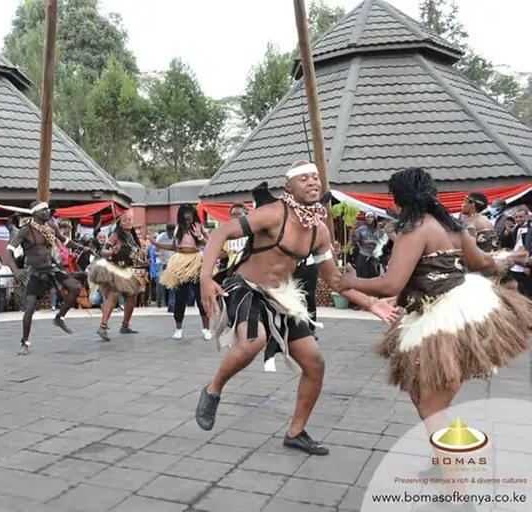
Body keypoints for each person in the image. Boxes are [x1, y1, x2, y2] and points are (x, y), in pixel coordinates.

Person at [195, 161, 399, 456]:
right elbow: (221, 233)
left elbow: (333, 279)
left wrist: (370, 302)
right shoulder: (272, 214)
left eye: (315, 177)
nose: (312, 182)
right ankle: (213, 390)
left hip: (283, 296)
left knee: (315, 364)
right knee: (253, 340)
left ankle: (296, 432)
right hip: (246, 288)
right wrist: (204, 278)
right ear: (288, 186)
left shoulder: (320, 232)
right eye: (304, 178)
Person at [337, 167, 530, 435]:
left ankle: (455, 472)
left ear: (397, 200)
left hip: (444, 319)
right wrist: (505, 259)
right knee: (422, 397)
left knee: (430, 406)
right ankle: (445, 454)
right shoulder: (453, 227)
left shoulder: (415, 231)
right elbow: (483, 263)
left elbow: (391, 284)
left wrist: (352, 283)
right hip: (463, 311)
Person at [5, 201, 83, 355]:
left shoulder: (51, 227)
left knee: (75, 288)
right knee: (29, 309)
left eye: (48, 210)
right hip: (35, 272)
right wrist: (16, 270)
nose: (48, 212)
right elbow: (9, 251)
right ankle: (24, 342)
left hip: (51, 268)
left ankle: (59, 317)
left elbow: (65, 241)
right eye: (44, 210)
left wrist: (82, 247)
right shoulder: (25, 230)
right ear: (35, 213)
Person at [153, 204, 211, 340]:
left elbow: (209, 243)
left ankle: (206, 329)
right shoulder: (178, 229)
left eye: (190, 212)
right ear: (181, 215)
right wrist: (156, 244)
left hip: (196, 262)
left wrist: (200, 236)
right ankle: (178, 329)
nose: (188, 215)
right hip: (180, 263)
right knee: (180, 297)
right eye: (185, 213)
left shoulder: (199, 227)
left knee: (201, 297)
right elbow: (173, 246)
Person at [88, 212, 145, 341]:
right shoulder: (115, 236)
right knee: (113, 295)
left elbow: (134, 257)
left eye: (130, 219)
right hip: (113, 269)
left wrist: (142, 262)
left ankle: (125, 325)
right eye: (125, 220)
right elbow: (103, 251)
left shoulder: (133, 238)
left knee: (131, 297)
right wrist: (112, 251)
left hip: (126, 270)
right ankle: (103, 326)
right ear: (119, 223)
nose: (129, 221)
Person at [352, 212, 382, 278]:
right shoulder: (360, 229)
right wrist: (355, 234)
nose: (369, 219)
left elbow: (381, 241)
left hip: (374, 255)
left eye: (371, 217)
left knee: (374, 275)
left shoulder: (378, 230)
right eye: (368, 217)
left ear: (374, 218)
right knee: (362, 274)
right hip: (363, 254)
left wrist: (375, 242)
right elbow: (355, 240)